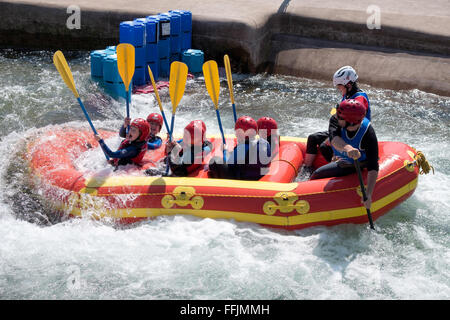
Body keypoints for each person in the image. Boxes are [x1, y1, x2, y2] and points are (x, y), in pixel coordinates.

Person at [301, 66, 371, 177]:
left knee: (325, 146)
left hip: (353, 134)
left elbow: (353, 122)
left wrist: (333, 138)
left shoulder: (359, 99)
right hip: (342, 129)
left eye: (339, 86)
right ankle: (306, 169)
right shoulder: (347, 94)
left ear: (348, 85)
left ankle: (336, 169)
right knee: (313, 138)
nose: (338, 89)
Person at [310, 99, 379, 209]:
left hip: (356, 163)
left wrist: (369, 194)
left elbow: (373, 166)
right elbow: (334, 140)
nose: (337, 117)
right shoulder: (335, 120)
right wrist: (348, 148)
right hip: (344, 157)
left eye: (340, 117)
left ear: (350, 121)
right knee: (321, 146)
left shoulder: (368, 134)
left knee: (317, 174)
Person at [209, 116, 271, 180]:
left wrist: (225, 151)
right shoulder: (265, 143)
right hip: (259, 175)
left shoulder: (242, 148)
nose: (236, 135)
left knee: (214, 161)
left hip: (244, 179)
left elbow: (229, 164)